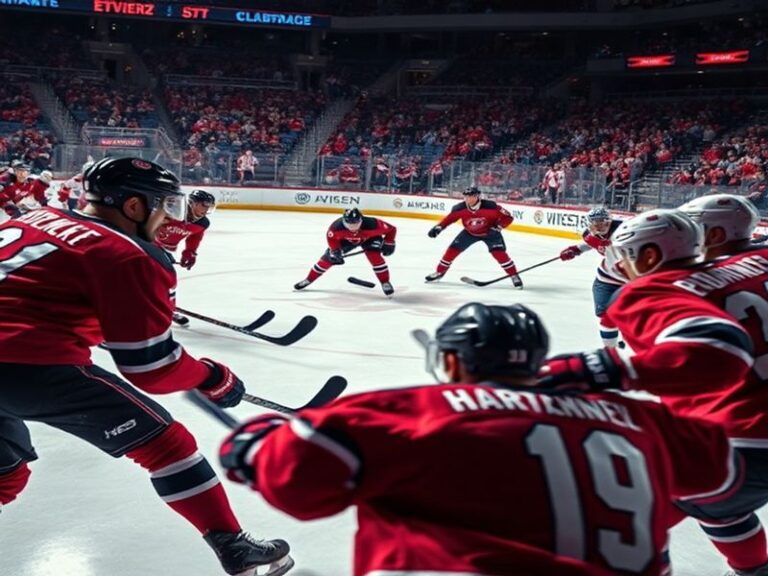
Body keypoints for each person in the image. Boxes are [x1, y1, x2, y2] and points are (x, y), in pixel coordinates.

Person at [216, 301, 742, 576]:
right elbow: (718, 472)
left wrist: (255, 444)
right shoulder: (639, 419)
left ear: (449, 361)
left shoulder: (401, 412)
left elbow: (297, 489)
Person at [0, 157, 292, 576]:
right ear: (134, 207)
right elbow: (151, 368)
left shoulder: (34, 217)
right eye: (161, 205)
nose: (166, 217)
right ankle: (235, 546)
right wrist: (212, 377)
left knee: (6, 472)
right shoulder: (130, 255)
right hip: (25, 364)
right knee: (167, 445)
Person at [538, 208, 768, 576]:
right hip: (745, 441)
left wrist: (599, 369)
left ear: (648, 257)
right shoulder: (757, 260)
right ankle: (754, 570)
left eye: (626, 257)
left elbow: (721, 352)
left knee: (618, 520)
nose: (621, 267)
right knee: (717, 505)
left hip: (742, 440)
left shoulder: (649, 291)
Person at [425, 186, 522, 288]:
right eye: (466, 197)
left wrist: (498, 227)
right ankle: (440, 272)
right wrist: (439, 227)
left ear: (477, 196)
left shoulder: (491, 207)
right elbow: (449, 219)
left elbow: (508, 217)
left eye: (471, 196)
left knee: (500, 255)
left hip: (491, 233)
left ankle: (514, 275)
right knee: (451, 251)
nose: (468, 199)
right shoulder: (460, 208)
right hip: (469, 233)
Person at [558, 207, 627, 347]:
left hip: (633, 280)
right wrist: (575, 250)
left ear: (610, 221)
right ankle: (610, 351)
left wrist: (616, 245)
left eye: (602, 223)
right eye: (596, 224)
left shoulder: (626, 230)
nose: (599, 227)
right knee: (604, 314)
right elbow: (589, 243)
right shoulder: (590, 236)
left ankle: (628, 334)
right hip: (606, 279)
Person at [293, 208, 397, 296]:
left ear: (361, 220)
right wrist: (335, 251)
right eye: (349, 223)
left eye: (355, 223)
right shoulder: (336, 228)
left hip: (370, 239)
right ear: (343, 221)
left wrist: (389, 243)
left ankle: (385, 282)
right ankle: (308, 279)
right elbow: (332, 240)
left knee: (375, 257)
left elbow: (392, 229)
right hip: (346, 241)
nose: (352, 226)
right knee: (327, 259)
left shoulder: (373, 224)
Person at [155, 189, 216, 326]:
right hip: (147, 245)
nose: (206, 210)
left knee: (167, 280)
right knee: (166, 278)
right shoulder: (171, 212)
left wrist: (190, 252)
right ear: (192, 203)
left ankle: (166, 308)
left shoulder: (202, 223)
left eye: (209, 206)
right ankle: (165, 309)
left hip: (166, 249)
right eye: (204, 205)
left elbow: (196, 235)